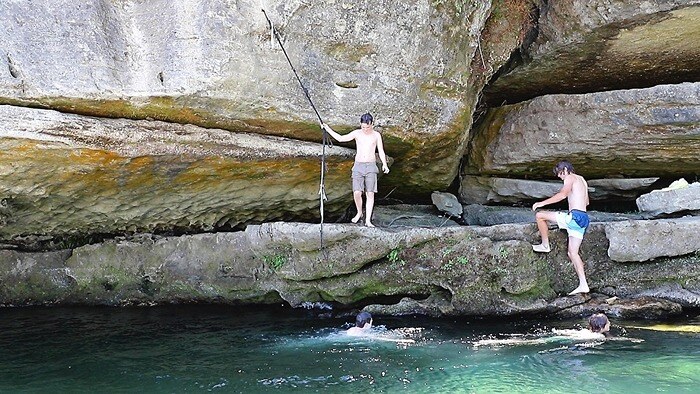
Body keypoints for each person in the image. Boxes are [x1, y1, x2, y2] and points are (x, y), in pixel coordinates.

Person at [531, 161, 591, 295]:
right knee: (572, 253)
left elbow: (563, 194)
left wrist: (541, 203)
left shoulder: (570, 177)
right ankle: (583, 284)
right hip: (583, 218)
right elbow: (586, 202)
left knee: (540, 215)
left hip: (574, 217)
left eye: (559, 173)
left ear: (565, 169)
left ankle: (545, 245)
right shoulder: (582, 180)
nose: (559, 176)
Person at [321, 113, 390, 227]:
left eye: (368, 127)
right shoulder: (357, 133)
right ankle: (359, 212)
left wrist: (384, 164)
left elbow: (381, 151)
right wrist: (327, 128)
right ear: (360, 125)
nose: (366, 129)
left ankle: (368, 220)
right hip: (358, 165)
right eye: (363, 127)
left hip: (371, 166)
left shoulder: (376, 135)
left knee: (370, 193)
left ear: (372, 124)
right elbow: (341, 138)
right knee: (357, 192)